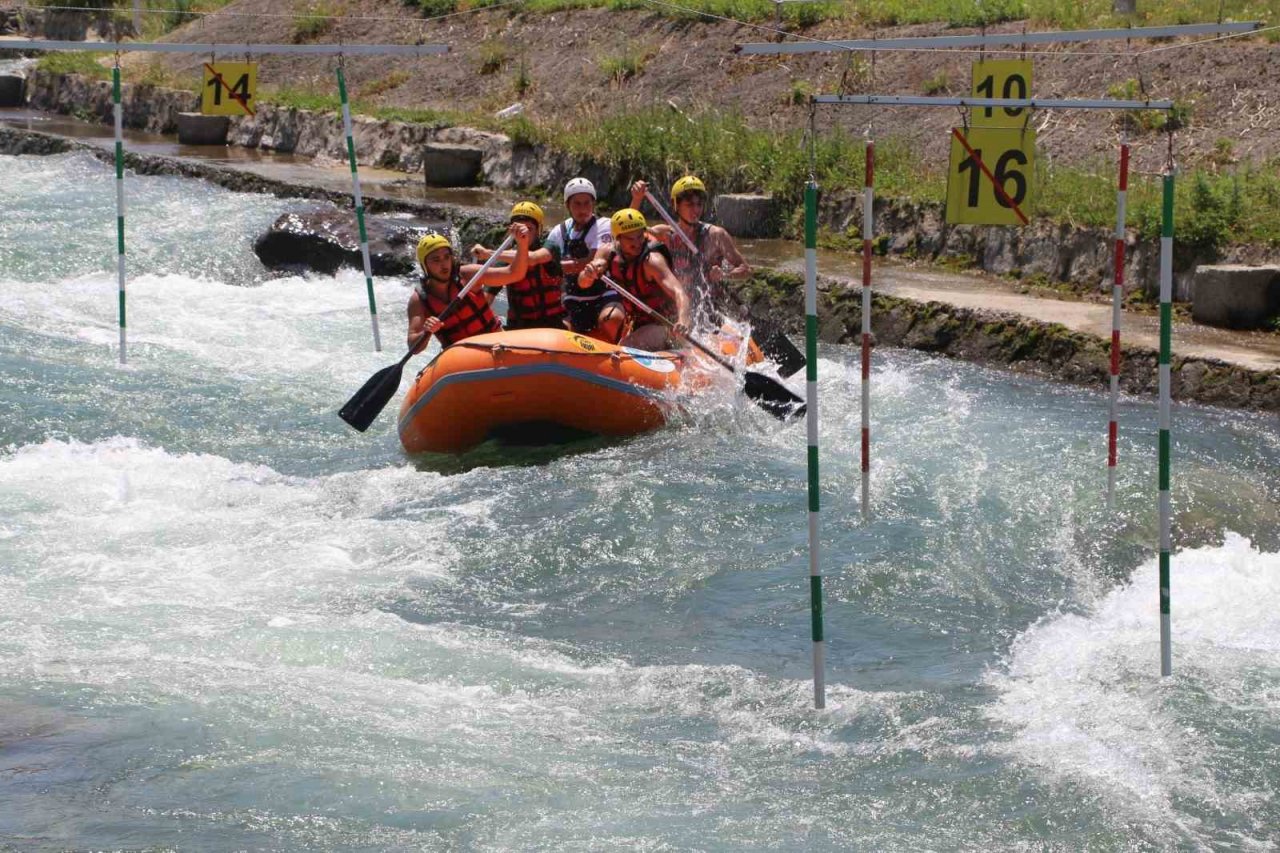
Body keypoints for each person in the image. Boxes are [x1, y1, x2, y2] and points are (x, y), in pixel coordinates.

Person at [629, 175, 751, 325]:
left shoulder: (715, 235)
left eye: (699, 204)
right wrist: (637, 199)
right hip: (677, 311)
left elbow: (745, 270)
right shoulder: (666, 234)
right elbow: (629, 232)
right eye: (689, 204)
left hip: (708, 310)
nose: (696, 210)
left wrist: (724, 274)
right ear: (676, 205)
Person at [576, 208, 691, 352]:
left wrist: (683, 321)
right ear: (618, 238)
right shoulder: (607, 252)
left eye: (640, 236)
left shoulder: (652, 261)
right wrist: (588, 273)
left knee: (627, 348)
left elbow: (679, 292)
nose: (637, 243)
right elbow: (583, 283)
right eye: (630, 239)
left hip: (667, 325)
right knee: (610, 320)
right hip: (639, 322)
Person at [407, 223, 530, 353]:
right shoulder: (419, 300)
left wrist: (522, 244)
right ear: (424, 266)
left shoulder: (468, 275)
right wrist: (426, 332)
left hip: (496, 343)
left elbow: (515, 273)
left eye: (447, 257)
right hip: (462, 357)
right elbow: (413, 347)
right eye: (436, 260)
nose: (444, 264)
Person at [545, 177, 626, 343]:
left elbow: (592, 259)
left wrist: (558, 267)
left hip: (603, 294)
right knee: (557, 332)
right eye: (577, 204)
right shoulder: (558, 232)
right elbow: (545, 262)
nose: (583, 209)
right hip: (572, 298)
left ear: (593, 203)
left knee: (612, 319)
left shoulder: (604, 225)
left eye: (587, 203)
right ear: (567, 205)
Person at [473, 202, 567, 331]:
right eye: (519, 229)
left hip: (552, 325)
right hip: (519, 329)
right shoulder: (505, 260)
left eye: (529, 228)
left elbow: (532, 258)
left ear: (539, 229)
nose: (524, 234)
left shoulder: (551, 247)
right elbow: (487, 298)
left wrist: (489, 253)